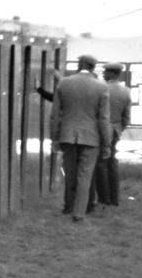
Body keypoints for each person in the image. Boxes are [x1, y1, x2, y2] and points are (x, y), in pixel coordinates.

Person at [50, 54, 110, 222]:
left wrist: (54, 138)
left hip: (67, 135)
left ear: (80, 64)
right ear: (93, 67)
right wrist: (106, 144)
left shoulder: (63, 83)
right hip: (91, 137)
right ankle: (79, 213)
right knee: (85, 175)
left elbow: (55, 114)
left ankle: (68, 206)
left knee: (70, 172)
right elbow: (104, 118)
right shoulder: (102, 86)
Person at [97, 62, 131, 206]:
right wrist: (119, 129)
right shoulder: (126, 91)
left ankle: (104, 198)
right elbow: (126, 117)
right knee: (112, 162)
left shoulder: (102, 88)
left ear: (112, 73)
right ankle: (114, 198)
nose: (103, 74)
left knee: (101, 163)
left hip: (101, 129)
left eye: (106, 72)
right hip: (116, 130)